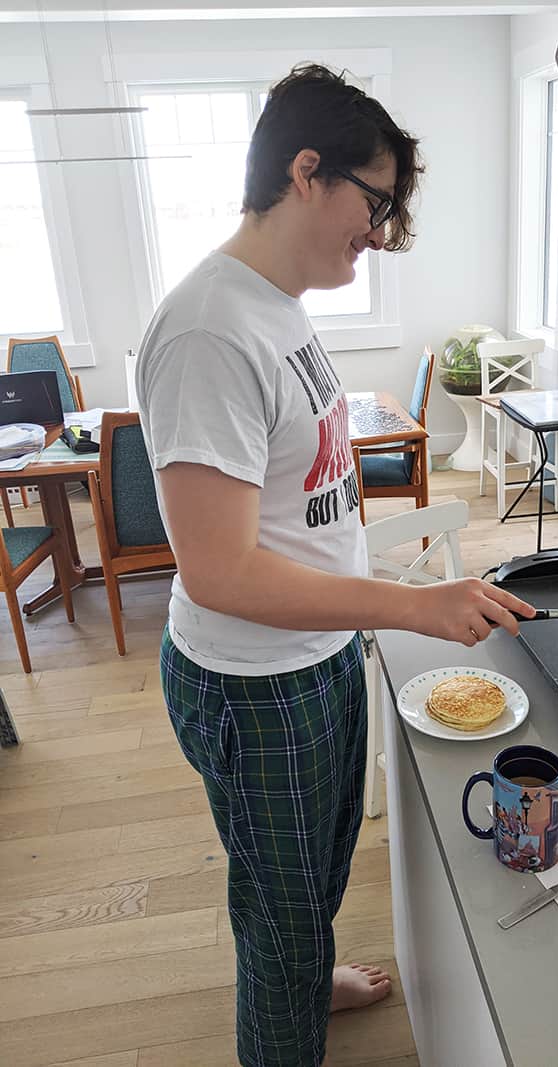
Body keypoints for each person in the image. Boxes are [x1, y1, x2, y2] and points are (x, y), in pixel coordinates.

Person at [136, 63, 535, 1067]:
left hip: (312, 654)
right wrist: (407, 605)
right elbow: (220, 569)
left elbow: (296, 501)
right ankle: (286, 1017)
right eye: (376, 202)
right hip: (254, 681)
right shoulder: (206, 329)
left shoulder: (275, 303)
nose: (383, 232)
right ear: (304, 171)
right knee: (277, 914)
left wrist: (371, 610)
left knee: (310, 876)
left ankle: (308, 980)